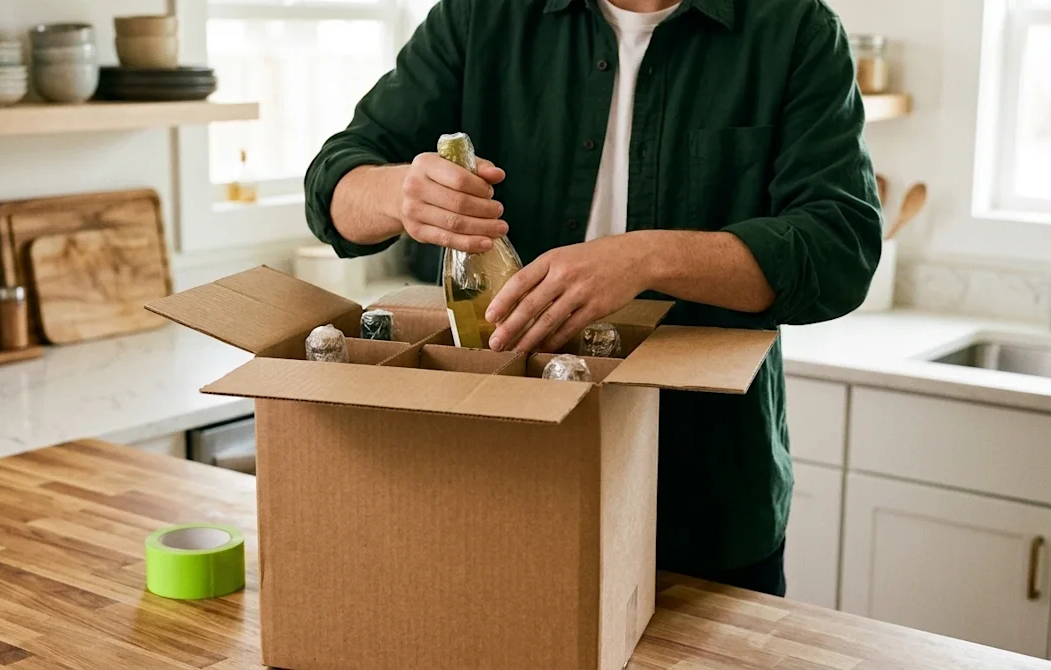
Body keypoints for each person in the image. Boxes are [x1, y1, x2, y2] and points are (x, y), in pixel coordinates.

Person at [305, 0, 882, 597]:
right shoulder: (481, 15)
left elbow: (840, 251)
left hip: (704, 502)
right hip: (501, 485)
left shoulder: (795, 29)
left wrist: (645, 258)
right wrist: (400, 192)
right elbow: (333, 187)